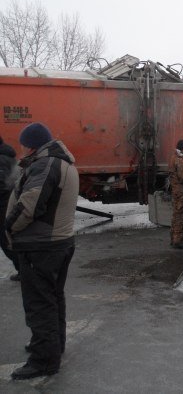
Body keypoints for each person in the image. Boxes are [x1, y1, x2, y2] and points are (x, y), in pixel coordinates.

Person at [5, 123, 79, 380]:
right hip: (56, 243)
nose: (21, 148)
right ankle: (52, 346)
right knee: (53, 299)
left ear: (32, 144)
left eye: (23, 143)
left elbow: (29, 205)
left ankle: (44, 360)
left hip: (42, 246)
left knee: (40, 304)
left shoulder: (45, 164)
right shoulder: (60, 162)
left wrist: (9, 228)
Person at [0, 135, 20, 280]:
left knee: (6, 241)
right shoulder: (6, 155)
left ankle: (25, 271)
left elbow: (1, 185)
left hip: (4, 205)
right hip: (8, 202)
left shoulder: (2, 159)